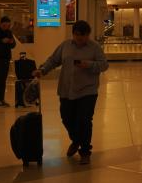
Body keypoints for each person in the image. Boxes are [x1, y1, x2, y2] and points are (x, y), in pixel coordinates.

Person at [33, 20, 109, 165]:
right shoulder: (65, 45)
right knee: (66, 118)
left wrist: (89, 64)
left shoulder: (94, 47)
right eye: (77, 35)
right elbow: (53, 60)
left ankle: (85, 151)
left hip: (87, 90)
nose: (80, 38)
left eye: (83, 35)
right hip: (67, 90)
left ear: (88, 35)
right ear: (73, 34)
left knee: (84, 120)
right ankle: (76, 140)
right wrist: (42, 70)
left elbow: (104, 65)